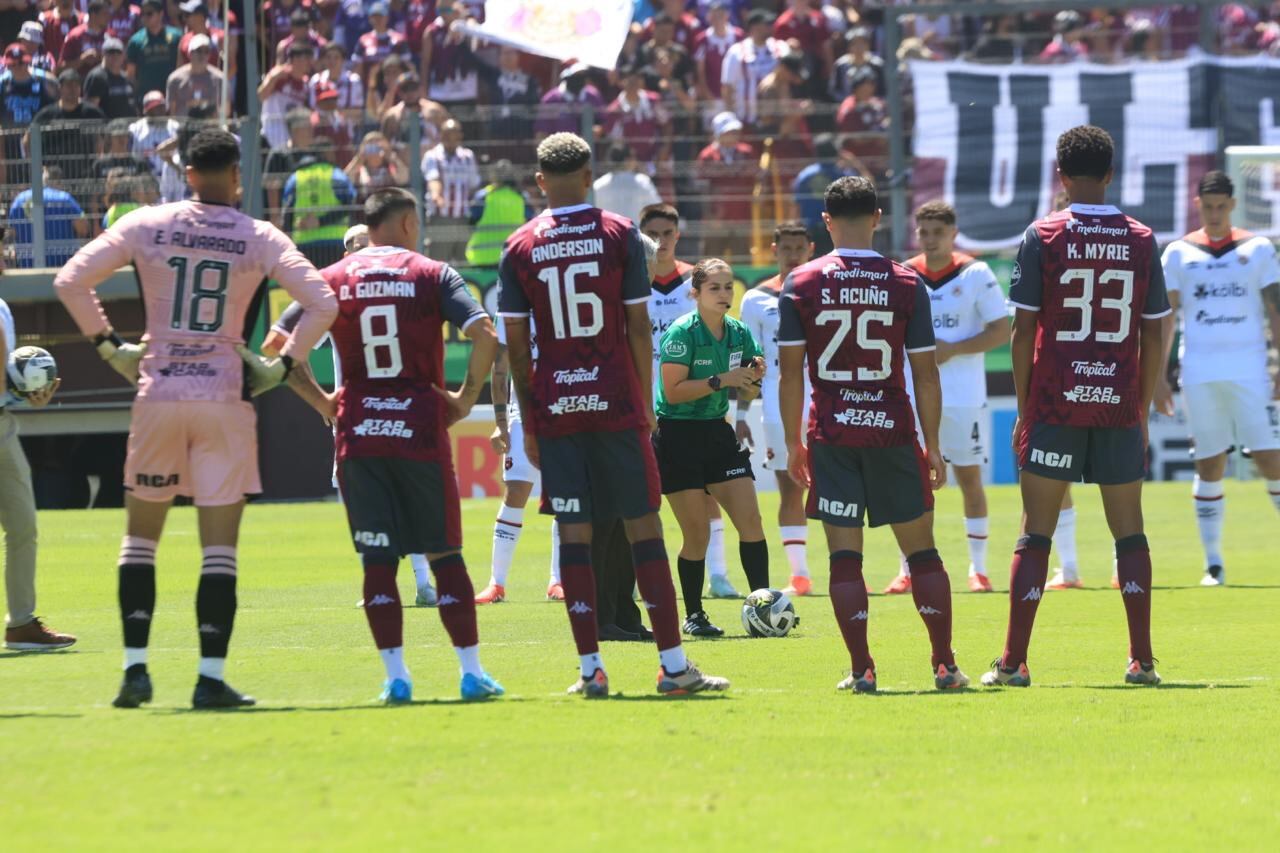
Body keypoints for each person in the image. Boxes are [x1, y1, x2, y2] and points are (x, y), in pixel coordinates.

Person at [54, 129, 339, 709]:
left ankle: (135, 671)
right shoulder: (259, 236)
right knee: (219, 551)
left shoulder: (147, 224)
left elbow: (70, 280)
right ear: (237, 174)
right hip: (224, 396)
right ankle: (209, 679)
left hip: (158, 390)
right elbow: (323, 302)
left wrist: (111, 348)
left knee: (139, 541)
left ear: (186, 173)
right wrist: (281, 368)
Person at [497, 132, 729, 697]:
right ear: (591, 175)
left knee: (573, 536)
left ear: (540, 181)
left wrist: (528, 422)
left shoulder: (520, 245)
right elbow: (637, 327)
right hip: (615, 403)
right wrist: (647, 406)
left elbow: (515, 344)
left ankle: (589, 671)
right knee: (643, 525)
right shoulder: (619, 234)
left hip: (556, 408)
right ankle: (674, 667)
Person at [295, 188, 504, 704]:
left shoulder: (331, 279)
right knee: (446, 556)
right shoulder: (432, 273)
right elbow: (485, 333)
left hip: (360, 436)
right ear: (409, 223)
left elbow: (277, 349)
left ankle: (396, 678)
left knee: (377, 561)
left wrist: (325, 404)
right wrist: (463, 398)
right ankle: (471, 673)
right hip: (419, 432)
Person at [982, 125, 1169, 688]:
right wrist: (1137, 408)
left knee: (1035, 529)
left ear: (1060, 175)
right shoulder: (1141, 238)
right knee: (1129, 531)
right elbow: (1155, 334)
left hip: (1056, 401)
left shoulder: (1043, 234)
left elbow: (1023, 332)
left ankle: (1013, 662)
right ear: (1111, 174)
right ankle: (1142, 660)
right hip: (1116, 402)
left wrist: (1024, 407)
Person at [778, 175, 969, 693]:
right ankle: (945, 665)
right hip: (892, 430)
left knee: (844, 556)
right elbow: (926, 374)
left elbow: (790, 372)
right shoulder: (907, 283)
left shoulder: (801, 282)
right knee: (922, 552)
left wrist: (796, 442)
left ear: (826, 221)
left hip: (833, 434)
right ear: (879, 217)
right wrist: (932, 445)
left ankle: (862, 670)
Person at [262, 224, 439, 609]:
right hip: (357, 417)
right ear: (345, 254)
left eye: (370, 243)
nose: (366, 251)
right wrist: (323, 400)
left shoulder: (383, 288)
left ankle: (424, 583)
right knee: (361, 498)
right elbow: (289, 348)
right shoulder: (339, 294)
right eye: (358, 246)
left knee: (408, 496)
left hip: (399, 411)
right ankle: (379, 582)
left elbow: (277, 343)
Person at [1156, 170, 1280, 587]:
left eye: (1220, 206)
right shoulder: (1178, 253)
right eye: (1207, 207)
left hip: (1251, 371)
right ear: (1198, 206)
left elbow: (1276, 311)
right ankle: (1214, 564)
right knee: (1210, 462)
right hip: (1199, 371)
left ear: (1232, 205)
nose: (1213, 213)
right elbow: (1165, 320)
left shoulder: (1258, 248)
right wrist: (1157, 375)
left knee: (1271, 460)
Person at [883, 201, 1009, 595]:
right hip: (914, 395)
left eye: (939, 232)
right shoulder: (904, 275)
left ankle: (979, 569)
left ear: (954, 233)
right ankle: (909, 568)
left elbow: (1001, 330)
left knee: (969, 478)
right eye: (925, 232)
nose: (931, 239)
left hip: (963, 396)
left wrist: (953, 348)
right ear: (916, 233)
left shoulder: (975, 272)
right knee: (912, 483)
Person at [655, 258, 767, 636]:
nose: (724, 294)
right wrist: (723, 380)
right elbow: (672, 392)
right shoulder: (682, 333)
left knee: (751, 522)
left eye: (728, 286)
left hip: (718, 433)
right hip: (677, 436)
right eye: (714, 288)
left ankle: (762, 609)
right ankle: (694, 615)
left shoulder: (739, 333)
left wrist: (751, 384)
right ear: (696, 293)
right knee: (697, 534)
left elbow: (749, 386)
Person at [639, 203, 736, 597]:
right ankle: (635, 576)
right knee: (641, 496)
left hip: (694, 407)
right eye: (653, 235)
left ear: (678, 235)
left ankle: (718, 574)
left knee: (706, 491)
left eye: (667, 233)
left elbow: (724, 338)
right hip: (642, 404)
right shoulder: (629, 285)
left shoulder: (699, 283)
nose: (661, 242)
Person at [737, 221, 815, 596]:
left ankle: (848, 566)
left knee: (836, 485)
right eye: (787, 248)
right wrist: (739, 413)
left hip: (823, 398)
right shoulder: (755, 299)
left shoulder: (823, 287)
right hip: (776, 403)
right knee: (789, 487)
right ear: (775, 250)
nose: (794, 254)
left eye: (800, 247)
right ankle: (799, 574)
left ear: (811, 249)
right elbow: (750, 360)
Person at [2, 265, 76, 650]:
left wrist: (21, 396)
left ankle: (20, 623)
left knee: (23, 525)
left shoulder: (2, 307)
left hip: (2, 426)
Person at [474, 319, 564, 605]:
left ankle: (558, 580)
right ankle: (496, 584)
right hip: (522, 416)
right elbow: (500, 369)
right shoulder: (512, 307)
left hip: (567, 410)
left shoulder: (562, 293)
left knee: (565, 494)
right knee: (515, 491)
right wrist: (500, 423)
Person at [282, 140, 357, 270]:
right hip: (335, 243)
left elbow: (287, 214)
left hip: (304, 245)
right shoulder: (337, 175)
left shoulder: (295, 178)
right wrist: (321, 222)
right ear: (326, 154)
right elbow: (349, 206)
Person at [28, 68, 105, 185]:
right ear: (60, 88)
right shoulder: (46, 114)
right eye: (68, 85)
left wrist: (99, 163)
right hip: (54, 179)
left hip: (86, 177)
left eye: (76, 85)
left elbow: (104, 140)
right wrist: (39, 168)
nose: (72, 89)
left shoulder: (93, 113)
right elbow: (27, 140)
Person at [422, 118, 480, 264]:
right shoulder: (432, 156)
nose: (451, 139)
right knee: (438, 262)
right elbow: (433, 179)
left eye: (454, 134)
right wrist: (437, 196)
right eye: (447, 134)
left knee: (463, 261)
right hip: (441, 218)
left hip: (463, 218)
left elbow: (474, 183)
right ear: (441, 135)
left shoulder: (468, 157)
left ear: (460, 136)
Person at [8, 165, 89, 267]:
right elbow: (83, 229)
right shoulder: (64, 198)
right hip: (62, 268)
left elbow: (12, 233)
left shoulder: (19, 201)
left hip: (28, 269)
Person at [465, 159, 532, 268]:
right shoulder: (522, 197)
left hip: (482, 257)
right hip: (512, 257)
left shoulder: (483, 196)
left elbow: (471, 222)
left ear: (493, 176)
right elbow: (530, 223)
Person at [126, 0, 182, 109]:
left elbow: (180, 67)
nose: (145, 17)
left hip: (170, 97)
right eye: (143, 14)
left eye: (149, 14)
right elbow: (131, 74)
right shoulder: (136, 41)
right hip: (146, 100)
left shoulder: (176, 36)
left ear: (161, 14)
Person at [593, 143, 661, 225]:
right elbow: (658, 210)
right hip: (635, 234)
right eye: (633, 157)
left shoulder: (598, 185)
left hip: (607, 235)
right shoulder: (642, 182)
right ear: (627, 160)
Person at [164, 32, 222, 116]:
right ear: (189, 53)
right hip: (183, 127)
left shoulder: (219, 79)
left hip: (210, 127)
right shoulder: (174, 79)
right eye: (199, 51)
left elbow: (225, 110)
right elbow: (171, 111)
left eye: (206, 51)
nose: (202, 55)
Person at [344, 130, 408, 203]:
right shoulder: (359, 169)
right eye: (370, 147)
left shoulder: (391, 167)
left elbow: (404, 179)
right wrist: (358, 159)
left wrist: (390, 155)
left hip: (388, 208)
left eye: (377, 147)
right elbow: (344, 180)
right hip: (365, 209)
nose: (374, 151)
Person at [85, 36, 137, 118]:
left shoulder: (126, 77)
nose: (115, 56)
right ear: (103, 54)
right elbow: (91, 109)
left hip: (127, 126)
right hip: (106, 129)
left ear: (123, 55)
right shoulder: (97, 77)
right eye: (111, 52)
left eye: (118, 52)